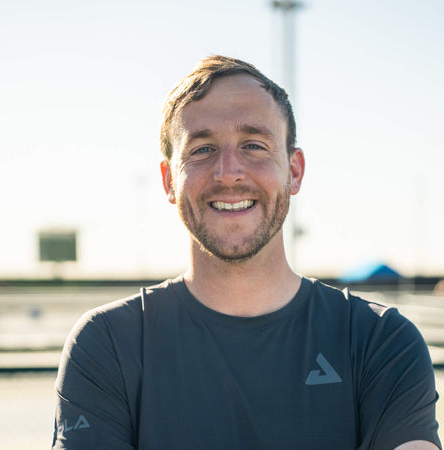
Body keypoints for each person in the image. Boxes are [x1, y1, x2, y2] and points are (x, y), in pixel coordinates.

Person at [52, 55, 441, 450]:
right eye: (202, 149)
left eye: (254, 145)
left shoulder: (381, 342)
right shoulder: (108, 344)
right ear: (170, 180)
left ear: (294, 171)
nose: (229, 172)